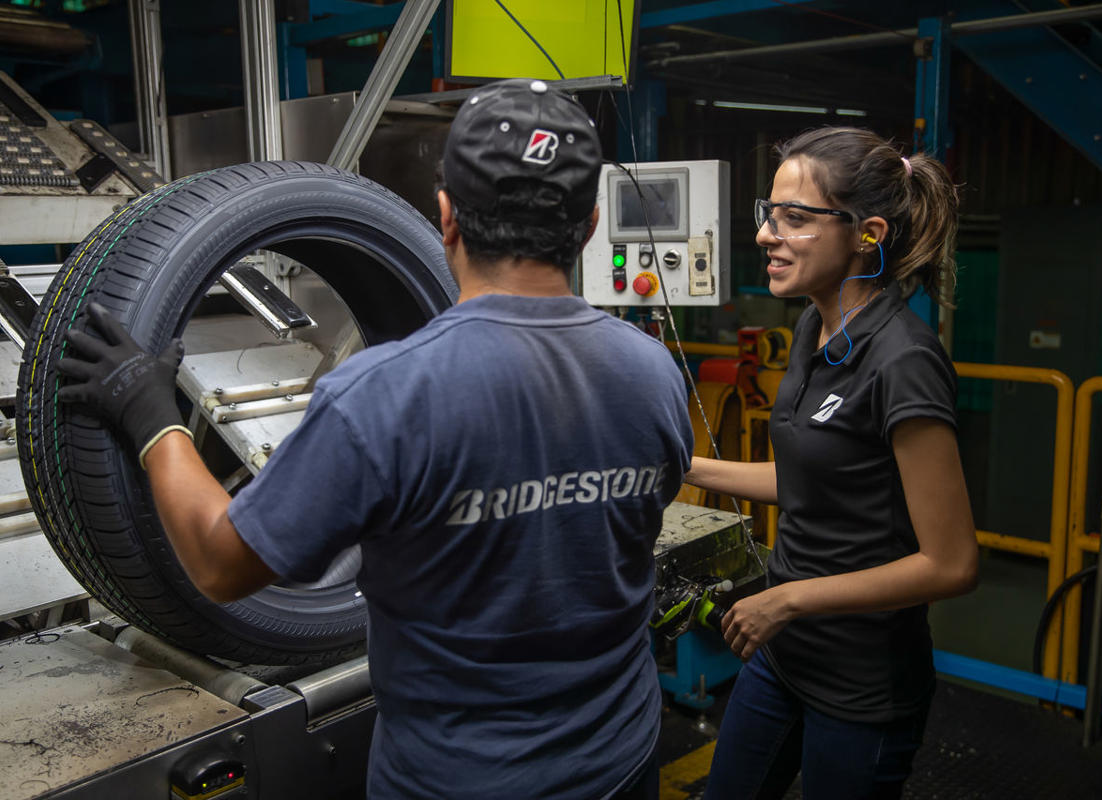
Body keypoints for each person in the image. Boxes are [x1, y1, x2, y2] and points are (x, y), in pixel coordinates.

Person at [57, 78, 693, 799]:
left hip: (458, 783)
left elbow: (218, 565)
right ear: (588, 224)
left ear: (446, 215)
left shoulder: (387, 395)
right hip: (622, 760)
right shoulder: (654, 372)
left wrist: (150, 416)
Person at [687, 127, 978, 799]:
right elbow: (807, 482)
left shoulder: (904, 361)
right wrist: (684, 465)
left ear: (867, 234)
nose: (765, 234)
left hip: (862, 685)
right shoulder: (813, 332)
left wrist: (785, 599)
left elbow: (953, 564)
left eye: (794, 218)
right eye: (769, 214)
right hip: (785, 658)